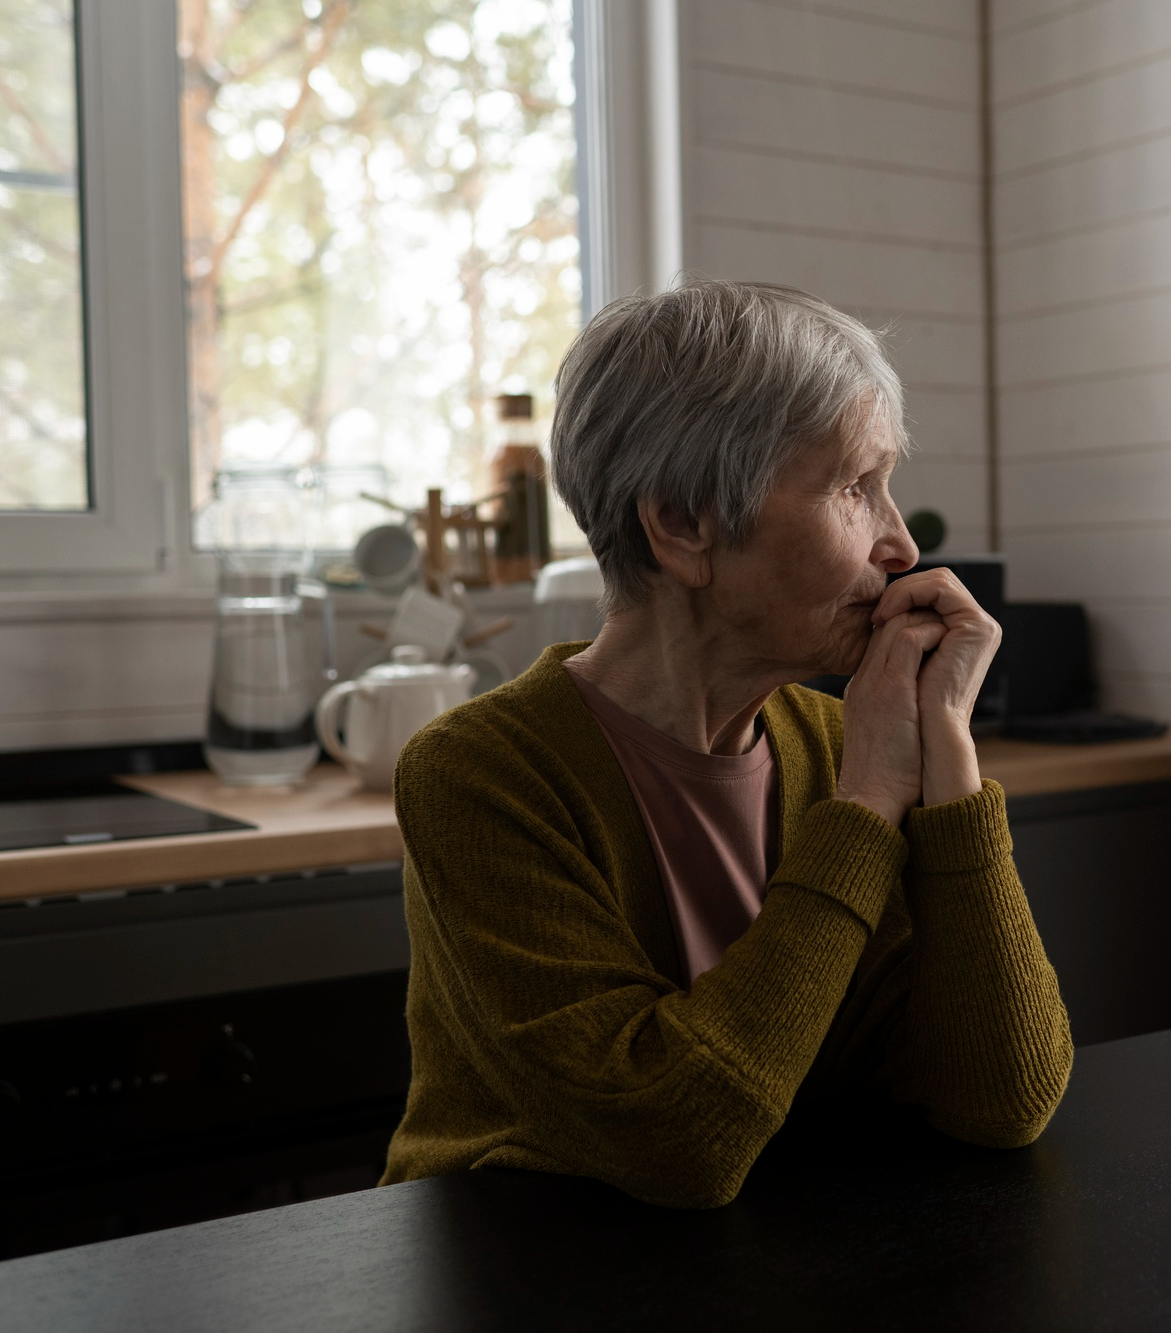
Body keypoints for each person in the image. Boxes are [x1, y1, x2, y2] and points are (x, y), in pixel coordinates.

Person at [379, 278, 1073, 1207]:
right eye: (855, 488)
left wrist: (946, 746)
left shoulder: (838, 742)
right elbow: (675, 1139)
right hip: (526, 1270)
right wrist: (866, 808)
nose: (902, 544)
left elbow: (1003, 1101)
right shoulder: (479, 775)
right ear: (682, 525)